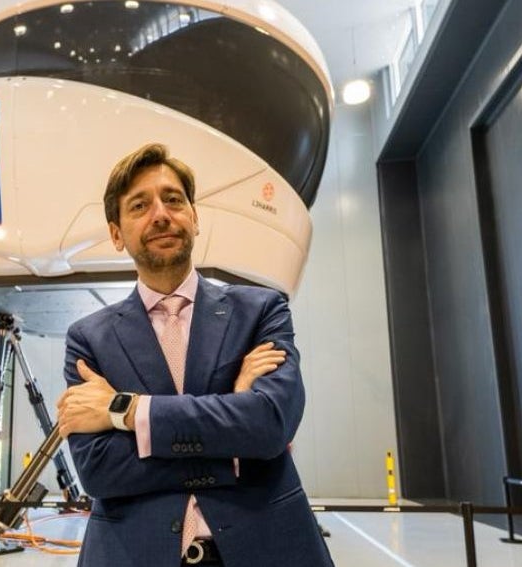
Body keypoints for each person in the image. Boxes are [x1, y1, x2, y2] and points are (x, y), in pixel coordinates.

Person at [56, 143, 334, 567]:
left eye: (173, 199)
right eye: (139, 206)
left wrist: (126, 411)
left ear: (195, 217)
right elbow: (99, 470)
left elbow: (269, 424)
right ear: (116, 234)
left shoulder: (262, 310)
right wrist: (232, 439)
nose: (160, 214)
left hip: (265, 547)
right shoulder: (88, 339)